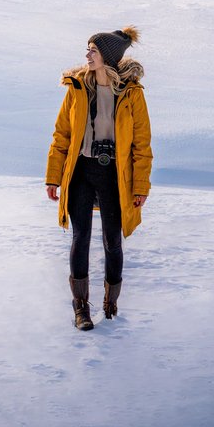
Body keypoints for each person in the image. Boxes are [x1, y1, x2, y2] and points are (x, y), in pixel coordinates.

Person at [45, 25, 152, 330]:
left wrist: (141, 186)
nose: (87, 55)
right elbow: (61, 135)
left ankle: (111, 302)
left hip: (115, 176)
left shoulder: (131, 94)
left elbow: (142, 146)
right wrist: (53, 178)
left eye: (93, 50)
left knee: (111, 241)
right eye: (88, 49)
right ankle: (80, 308)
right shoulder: (77, 88)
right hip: (80, 171)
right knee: (80, 238)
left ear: (108, 56)